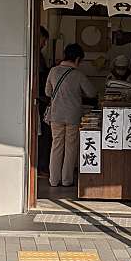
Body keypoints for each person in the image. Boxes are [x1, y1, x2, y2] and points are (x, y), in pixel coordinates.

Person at [45, 43, 97, 187]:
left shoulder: (53, 71)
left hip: (56, 115)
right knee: (70, 147)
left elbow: (48, 93)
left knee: (56, 146)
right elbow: (92, 93)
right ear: (77, 59)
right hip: (73, 116)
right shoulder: (78, 75)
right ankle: (67, 180)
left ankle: (54, 180)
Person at [38, 26, 51, 176]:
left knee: (44, 135)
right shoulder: (36, 56)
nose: (45, 43)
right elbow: (42, 82)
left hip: (41, 100)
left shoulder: (38, 55)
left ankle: (42, 166)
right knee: (44, 136)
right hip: (41, 101)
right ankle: (41, 166)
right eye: (44, 40)